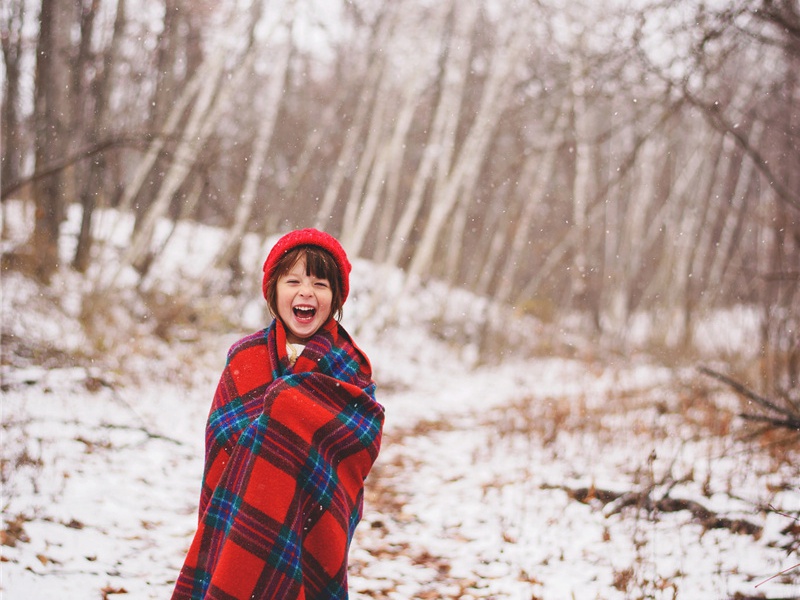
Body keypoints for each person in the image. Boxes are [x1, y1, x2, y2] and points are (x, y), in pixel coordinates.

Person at [172, 228, 385, 600]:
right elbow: (221, 445)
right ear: (273, 292)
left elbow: (357, 446)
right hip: (242, 525)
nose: (306, 292)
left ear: (335, 298)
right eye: (293, 280)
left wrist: (286, 413)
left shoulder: (349, 368)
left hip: (309, 530)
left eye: (320, 283)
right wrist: (266, 448)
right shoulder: (245, 358)